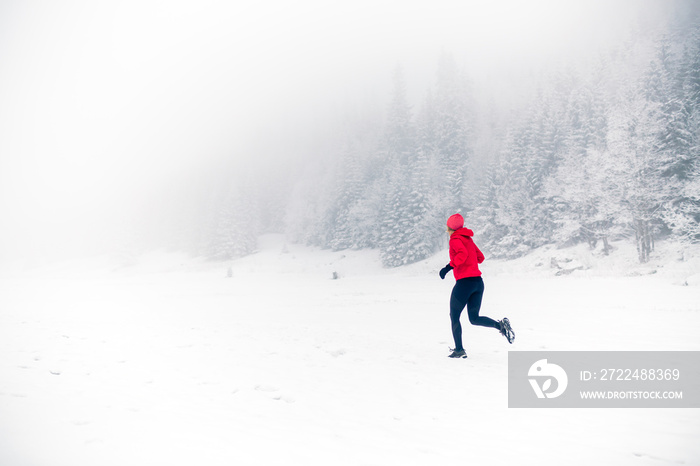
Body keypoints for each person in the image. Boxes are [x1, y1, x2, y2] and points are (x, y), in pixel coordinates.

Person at [439, 213, 514, 358]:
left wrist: (448, 268)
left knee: (454, 316)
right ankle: (501, 326)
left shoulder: (455, 239)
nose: (447, 230)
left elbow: (462, 255)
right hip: (478, 283)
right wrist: (469, 262)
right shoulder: (468, 239)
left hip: (465, 284)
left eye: (447, 228)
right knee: (474, 318)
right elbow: (480, 257)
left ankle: (459, 350)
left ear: (451, 228)